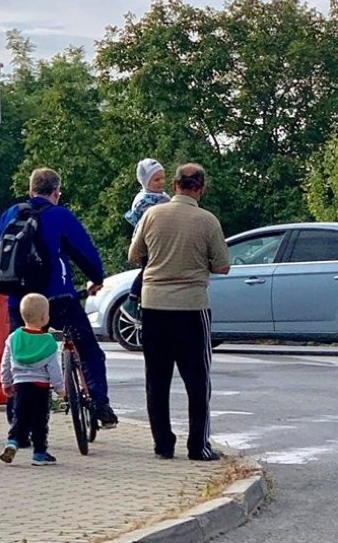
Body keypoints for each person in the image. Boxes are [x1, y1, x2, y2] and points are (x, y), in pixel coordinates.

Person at [0, 168, 118, 428]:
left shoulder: (11, 214)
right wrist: (96, 278)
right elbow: (85, 252)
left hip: (21, 300)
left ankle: (19, 421)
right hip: (58, 299)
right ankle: (99, 403)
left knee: (21, 355)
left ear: (31, 191)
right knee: (88, 350)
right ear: (56, 192)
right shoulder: (60, 215)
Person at [129, 163, 230, 461]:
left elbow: (134, 255)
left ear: (174, 185)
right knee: (198, 381)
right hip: (191, 308)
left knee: (156, 380)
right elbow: (222, 265)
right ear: (200, 188)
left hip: (154, 306)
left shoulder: (151, 215)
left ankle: (163, 444)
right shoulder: (207, 221)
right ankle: (198, 446)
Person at [0, 293, 66, 465]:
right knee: (39, 421)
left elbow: (5, 362)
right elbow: (54, 369)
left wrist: (6, 382)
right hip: (40, 387)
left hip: (20, 385)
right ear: (44, 317)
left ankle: (13, 441)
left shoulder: (14, 338)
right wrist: (60, 389)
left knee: (19, 416)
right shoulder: (48, 342)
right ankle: (39, 453)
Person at [121, 158, 171, 320]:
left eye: (163, 178)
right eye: (156, 179)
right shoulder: (143, 200)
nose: (161, 182)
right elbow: (148, 223)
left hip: (161, 242)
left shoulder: (163, 197)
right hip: (147, 243)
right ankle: (132, 300)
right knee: (147, 270)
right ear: (145, 181)